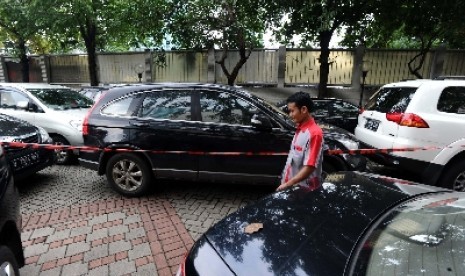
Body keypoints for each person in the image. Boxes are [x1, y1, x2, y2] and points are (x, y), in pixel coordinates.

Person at [276, 92, 324, 191]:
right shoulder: (300, 129)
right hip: (293, 188)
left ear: (304, 109)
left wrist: (287, 184)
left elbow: (309, 167)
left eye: (292, 111)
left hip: (304, 192)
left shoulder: (314, 134)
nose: (290, 115)